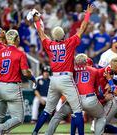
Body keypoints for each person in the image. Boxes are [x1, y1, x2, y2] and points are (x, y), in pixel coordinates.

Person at [31, 5, 94, 135]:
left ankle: (35, 132)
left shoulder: (50, 44)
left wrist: (37, 20)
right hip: (66, 79)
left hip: (54, 79)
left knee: (47, 110)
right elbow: (82, 28)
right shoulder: (69, 43)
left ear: (54, 37)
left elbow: (41, 33)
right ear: (64, 35)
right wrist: (88, 14)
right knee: (77, 111)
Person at [0, 29, 36, 134]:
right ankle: (0, 129)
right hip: (12, 87)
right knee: (19, 118)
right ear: (16, 39)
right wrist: (33, 79)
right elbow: (25, 73)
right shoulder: (20, 53)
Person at [45, 54, 106, 135]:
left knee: (58, 116)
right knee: (101, 116)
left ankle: (47, 134)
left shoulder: (71, 70)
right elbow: (98, 91)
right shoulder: (94, 71)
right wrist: (103, 97)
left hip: (73, 99)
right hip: (89, 98)